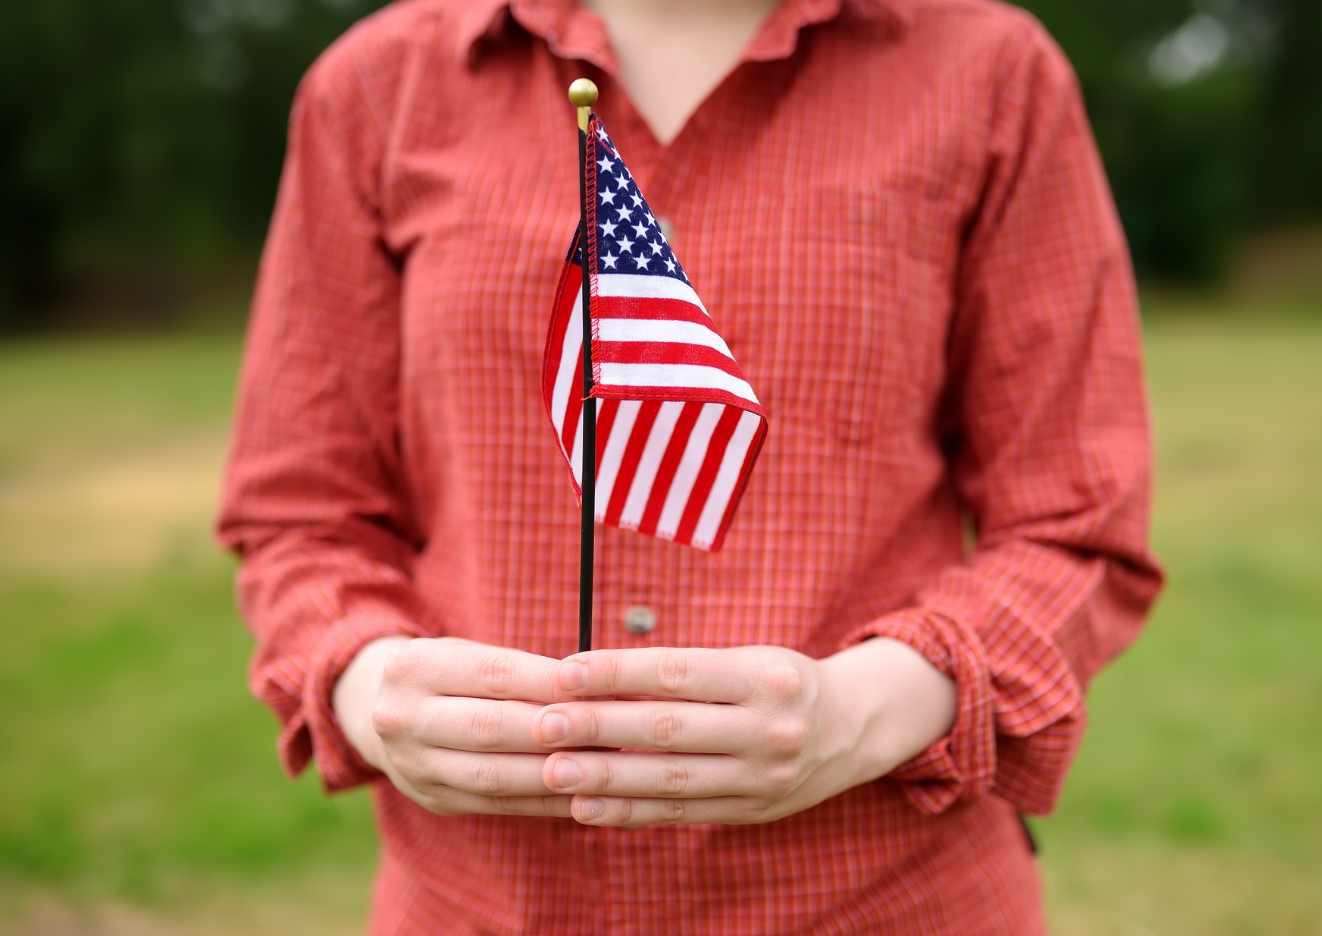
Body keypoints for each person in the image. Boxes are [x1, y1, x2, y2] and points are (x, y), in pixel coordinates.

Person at [217, 0, 1163, 932]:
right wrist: (370, 682)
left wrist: (863, 712)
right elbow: (299, 514)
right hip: (479, 902)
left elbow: (1075, 525)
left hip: (883, 899)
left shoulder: (991, 69)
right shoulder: (376, 85)